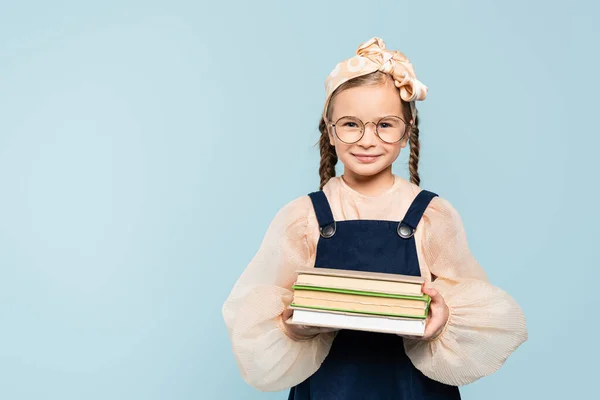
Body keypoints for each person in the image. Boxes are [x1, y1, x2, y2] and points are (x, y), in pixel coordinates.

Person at [222, 37, 528, 399]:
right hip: (329, 386)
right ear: (330, 130)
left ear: (406, 132)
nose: (368, 140)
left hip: (412, 387)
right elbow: (258, 308)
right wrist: (293, 326)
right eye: (351, 124)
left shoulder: (432, 215)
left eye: (385, 125)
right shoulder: (302, 217)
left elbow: (473, 303)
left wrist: (442, 317)